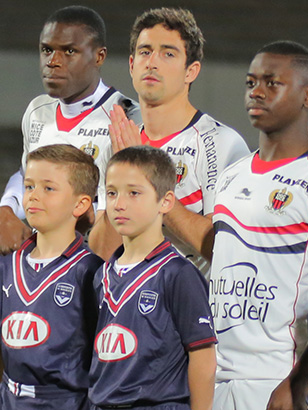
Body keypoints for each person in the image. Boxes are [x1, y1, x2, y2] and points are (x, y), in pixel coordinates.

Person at [162, 41, 308, 410]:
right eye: (251, 82)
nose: (257, 91)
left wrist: (300, 378)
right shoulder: (232, 175)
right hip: (216, 375)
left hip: (277, 378)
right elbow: (219, 250)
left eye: (272, 83)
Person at [89, 7, 250, 267]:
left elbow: (223, 249)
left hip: (189, 292)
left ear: (191, 71)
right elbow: (101, 253)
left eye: (168, 53)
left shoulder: (221, 144)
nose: (152, 62)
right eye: (145, 52)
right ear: (131, 65)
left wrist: (146, 176)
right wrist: (125, 170)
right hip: (128, 291)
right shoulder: (119, 142)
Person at [0, 5, 142, 255]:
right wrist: (4, 208)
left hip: (102, 262)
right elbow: (26, 173)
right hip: (47, 261)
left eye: (69, 51)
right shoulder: (37, 110)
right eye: (47, 50)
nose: (53, 62)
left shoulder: (128, 117)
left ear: (99, 57)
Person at [88, 146, 216, 410]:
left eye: (134, 193)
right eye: (111, 193)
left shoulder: (178, 274)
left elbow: (203, 358)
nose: (119, 204)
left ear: (165, 202)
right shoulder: (101, 275)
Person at [0, 145, 103, 410]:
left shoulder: (91, 272)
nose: (34, 196)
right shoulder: (4, 266)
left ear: (80, 204)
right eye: (29, 186)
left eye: (48, 188)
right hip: (8, 400)